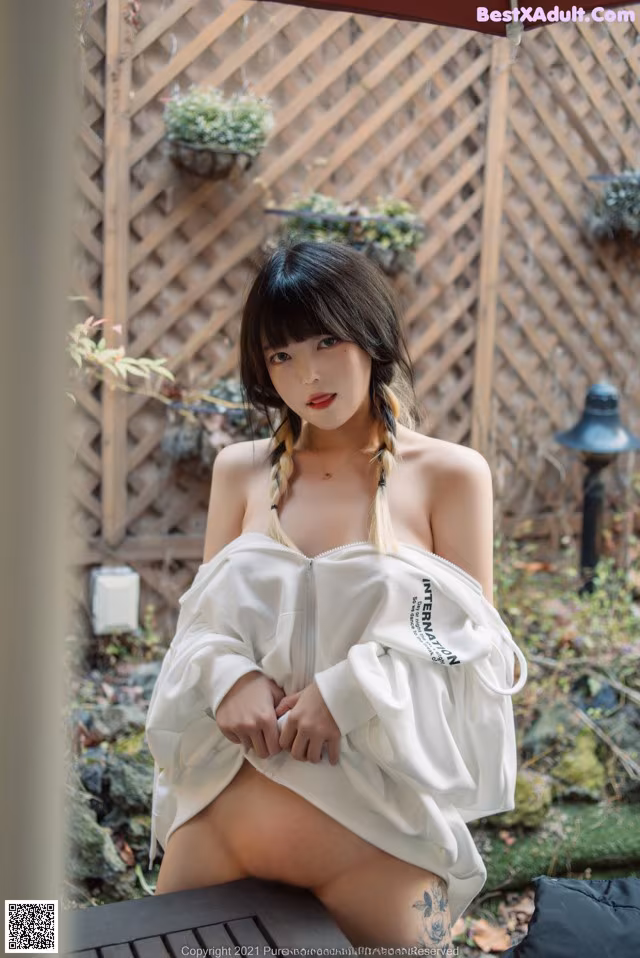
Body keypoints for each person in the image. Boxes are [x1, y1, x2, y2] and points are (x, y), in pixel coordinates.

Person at [146, 240, 527, 951]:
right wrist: (227, 677)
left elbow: (481, 659)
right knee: (46, 940)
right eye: (281, 355)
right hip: (217, 838)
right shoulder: (240, 472)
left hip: (379, 852)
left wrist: (352, 689)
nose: (307, 375)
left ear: (372, 334)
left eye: (327, 340)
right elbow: (198, 629)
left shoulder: (451, 475)